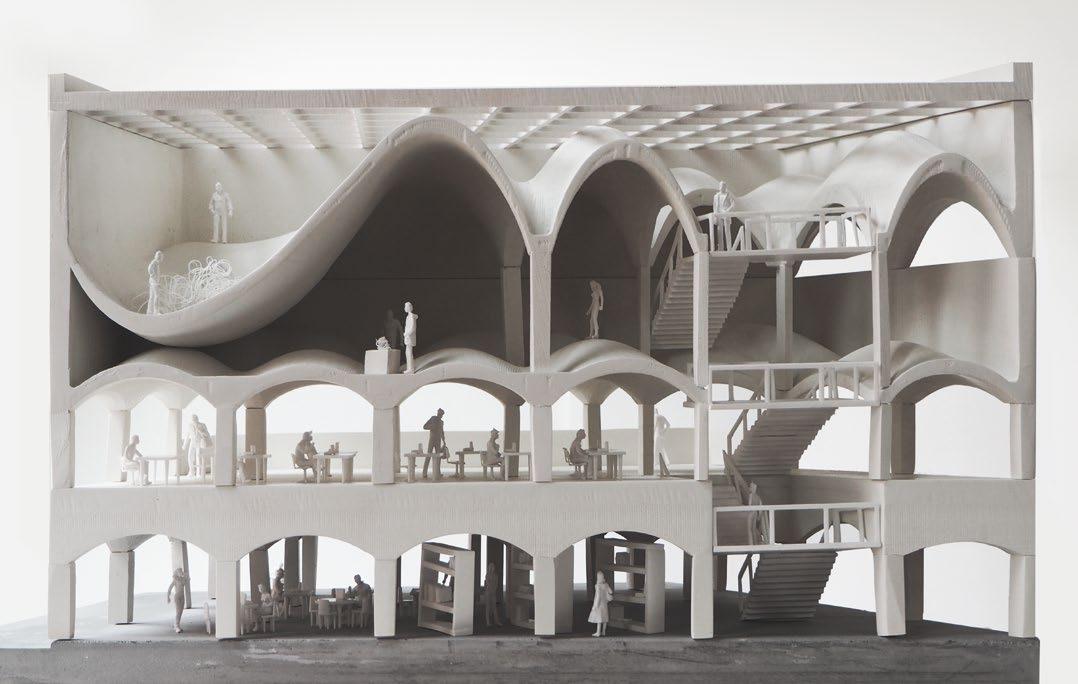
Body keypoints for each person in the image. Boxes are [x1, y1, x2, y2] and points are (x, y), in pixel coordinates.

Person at [422, 408, 447, 479]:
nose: (441, 415)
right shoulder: (433, 418)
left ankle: (437, 473)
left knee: (438, 457)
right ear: (438, 413)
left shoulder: (441, 422)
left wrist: (444, 440)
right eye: (440, 413)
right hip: (432, 440)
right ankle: (424, 473)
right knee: (428, 455)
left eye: (442, 414)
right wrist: (432, 427)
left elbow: (442, 432)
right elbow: (424, 426)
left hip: (438, 441)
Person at [588, 571, 613, 637]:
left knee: (599, 618)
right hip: (605, 603)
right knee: (605, 617)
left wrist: (595, 605)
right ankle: (603, 632)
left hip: (599, 604)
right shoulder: (606, 584)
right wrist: (606, 586)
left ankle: (598, 632)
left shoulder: (597, 586)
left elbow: (598, 596)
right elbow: (611, 591)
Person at [166, 567, 188, 633]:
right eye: (179, 571)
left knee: (180, 612)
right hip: (177, 597)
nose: (181, 572)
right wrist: (168, 597)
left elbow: (186, 582)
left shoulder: (183, 579)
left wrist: (185, 576)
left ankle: (177, 624)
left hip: (182, 596)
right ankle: (176, 626)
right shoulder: (175, 580)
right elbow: (170, 588)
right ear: (177, 573)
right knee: (178, 612)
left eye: (181, 571)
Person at [654, 410, 672, 478]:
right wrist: (664, 431)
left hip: (656, 435)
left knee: (656, 450)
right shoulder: (662, 417)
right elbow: (668, 425)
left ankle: (656, 464)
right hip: (661, 435)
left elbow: (654, 426)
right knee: (662, 450)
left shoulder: (655, 417)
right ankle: (665, 465)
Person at [483, 562, 502, 627]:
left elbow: (496, 584)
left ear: (494, 568)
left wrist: (494, 590)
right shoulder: (487, 575)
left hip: (493, 592)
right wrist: (491, 589)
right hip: (488, 592)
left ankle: (497, 621)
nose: (491, 568)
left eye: (492, 567)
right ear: (488, 568)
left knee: (494, 607)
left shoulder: (496, 575)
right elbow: (488, 583)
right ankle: (488, 622)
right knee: (488, 607)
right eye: (490, 567)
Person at [403, 301, 418, 373]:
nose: (404, 308)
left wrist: (406, 334)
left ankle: (411, 369)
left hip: (409, 337)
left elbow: (412, 328)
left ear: (409, 307)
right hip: (408, 336)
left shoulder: (411, 316)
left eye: (405, 306)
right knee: (407, 352)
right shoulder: (408, 316)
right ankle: (409, 368)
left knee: (409, 352)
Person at [146, 250, 163, 315]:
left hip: (153, 281)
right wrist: (153, 276)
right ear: (156, 256)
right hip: (154, 281)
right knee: (157, 295)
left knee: (152, 296)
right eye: (159, 255)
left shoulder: (156, 263)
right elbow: (150, 269)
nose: (160, 258)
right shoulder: (154, 263)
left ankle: (149, 311)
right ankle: (156, 311)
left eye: (160, 256)